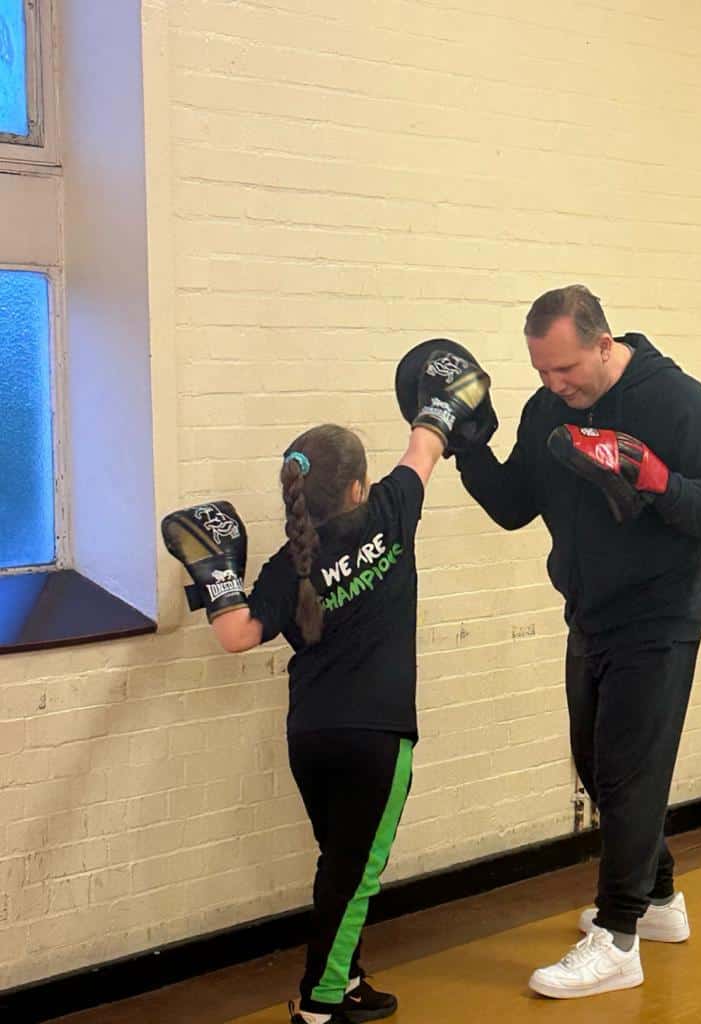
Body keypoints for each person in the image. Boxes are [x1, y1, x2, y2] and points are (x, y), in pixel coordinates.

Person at [162, 344, 490, 1024]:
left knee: (338, 865)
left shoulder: (288, 566)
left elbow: (237, 635)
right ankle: (317, 1005)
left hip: (310, 737)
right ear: (357, 489)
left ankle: (344, 980)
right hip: (376, 737)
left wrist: (217, 576)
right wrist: (443, 398)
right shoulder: (392, 510)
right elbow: (427, 443)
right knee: (357, 873)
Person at [453, 285, 701, 998]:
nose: (556, 386)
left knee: (628, 771)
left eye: (566, 369)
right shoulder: (546, 409)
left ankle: (617, 940)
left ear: (602, 343)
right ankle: (659, 898)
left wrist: (653, 477)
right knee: (596, 764)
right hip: (589, 614)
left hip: (661, 615)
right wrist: (468, 448)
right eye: (543, 373)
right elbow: (512, 506)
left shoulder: (680, 402)